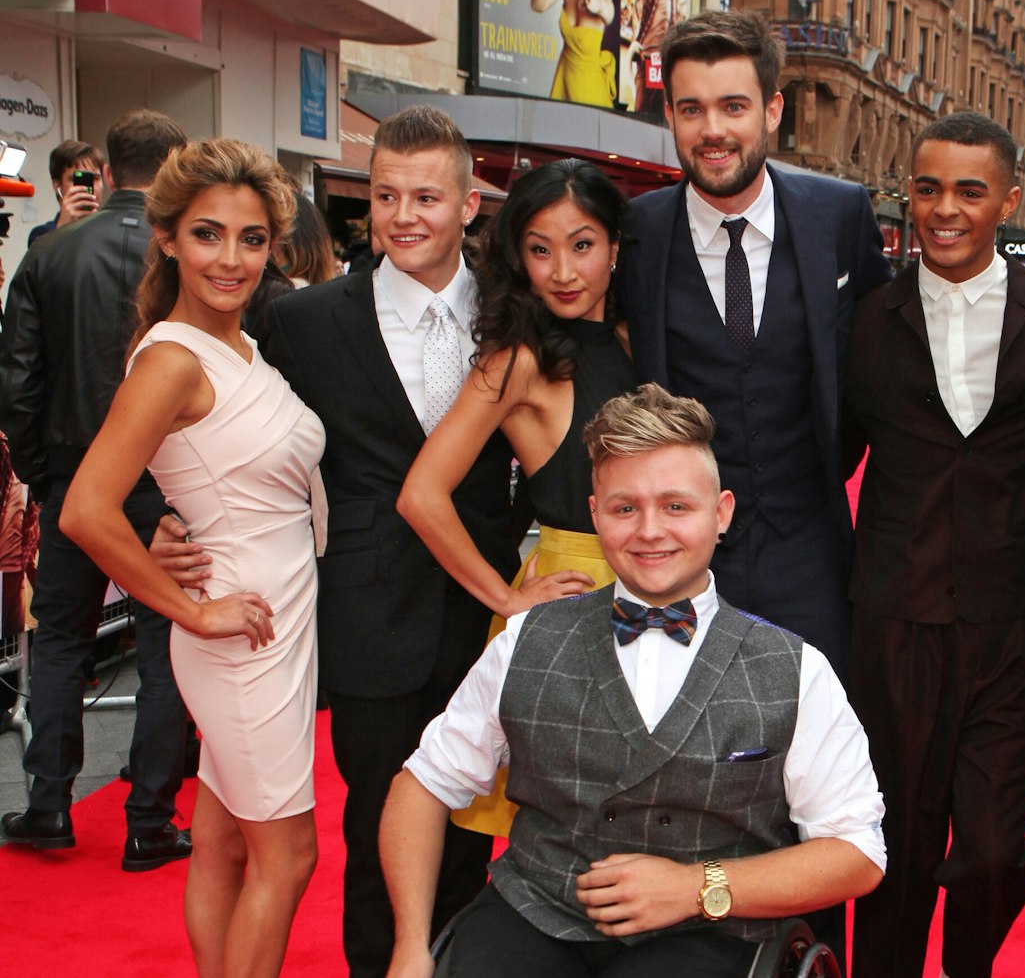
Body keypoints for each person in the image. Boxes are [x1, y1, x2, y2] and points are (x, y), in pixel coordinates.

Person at [156, 105, 517, 977]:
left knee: (472, 834)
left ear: (469, 203)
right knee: (375, 830)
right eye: (387, 194)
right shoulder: (309, 319)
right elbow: (204, 411)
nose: (404, 216)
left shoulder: (516, 312)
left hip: (486, 615)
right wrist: (159, 519)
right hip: (363, 617)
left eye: (427, 197)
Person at [378, 382, 886, 977]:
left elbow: (857, 853)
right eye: (625, 508)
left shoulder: (795, 670)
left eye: (676, 506)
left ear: (720, 513)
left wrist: (698, 886)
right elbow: (422, 786)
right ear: (595, 516)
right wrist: (411, 945)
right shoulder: (525, 641)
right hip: (533, 915)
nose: (650, 531)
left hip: (707, 935)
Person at [843, 112, 1025, 978]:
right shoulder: (866, 319)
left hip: (1010, 631)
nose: (943, 209)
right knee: (896, 847)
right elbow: (829, 455)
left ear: (1009, 201)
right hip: (892, 620)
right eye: (927, 188)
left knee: (992, 849)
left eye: (968, 190)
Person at [59, 138, 319, 977]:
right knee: (288, 856)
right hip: (243, 631)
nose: (232, 259)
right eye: (208, 234)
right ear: (166, 237)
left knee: (220, 842)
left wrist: (179, 519)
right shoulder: (172, 358)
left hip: (269, 617)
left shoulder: (235, 346)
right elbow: (84, 510)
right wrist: (193, 609)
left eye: (251, 238)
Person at [616, 7, 891, 681]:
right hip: (682, 558)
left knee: (817, 752)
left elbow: (891, 339)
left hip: (813, 548)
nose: (713, 130)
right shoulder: (638, 232)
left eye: (733, 106)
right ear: (671, 116)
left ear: (772, 109)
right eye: (691, 109)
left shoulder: (840, 214)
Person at [398, 158, 636, 836]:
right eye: (540, 249)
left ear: (615, 248)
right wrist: (505, 598)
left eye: (582, 244)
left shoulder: (631, 336)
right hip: (579, 594)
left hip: (656, 584)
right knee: (571, 825)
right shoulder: (517, 360)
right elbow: (422, 493)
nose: (563, 270)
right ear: (518, 257)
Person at [0, 109, 192, 868]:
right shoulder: (181, 253)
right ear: (173, 167)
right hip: (163, 477)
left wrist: (47, 477)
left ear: (105, 170)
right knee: (163, 644)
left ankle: (49, 803)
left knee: (60, 642)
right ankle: (150, 816)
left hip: (76, 470)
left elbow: (17, 381)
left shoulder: (48, 254)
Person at [532, 0, 616, 108]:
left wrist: (599, 8)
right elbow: (537, 5)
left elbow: (609, 14)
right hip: (564, 82)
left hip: (590, 88)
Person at [27, 139, 106, 248]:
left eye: (95, 178)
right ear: (57, 186)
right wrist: (63, 228)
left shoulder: (112, 231)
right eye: (77, 179)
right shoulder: (41, 235)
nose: (88, 187)